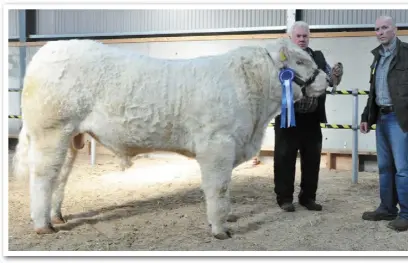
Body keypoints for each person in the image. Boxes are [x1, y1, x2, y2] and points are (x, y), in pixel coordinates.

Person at [273, 21, 343, 212]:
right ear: (291, 37)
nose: (302, 39)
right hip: (288, 116)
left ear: (309, 37)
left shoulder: (318, 57)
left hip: (312, 118)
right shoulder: (282, 57)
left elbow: (329, 80)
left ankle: (308, 197)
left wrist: (336, 76)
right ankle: (285, 199)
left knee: (312, 160)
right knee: (284, 158)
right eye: (299, 36)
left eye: (305, 36)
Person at [360, 15, 408, 232]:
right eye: (377, 28)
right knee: (384, 167)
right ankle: (387, 208)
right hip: (381, 117)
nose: (380, 32)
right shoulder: (377, 57)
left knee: (403, 170)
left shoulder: (406, 53)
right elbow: (373, 91)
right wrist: (366, 117)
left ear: (395, 29)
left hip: (400, 119)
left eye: (384, 28)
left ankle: (406, 214)